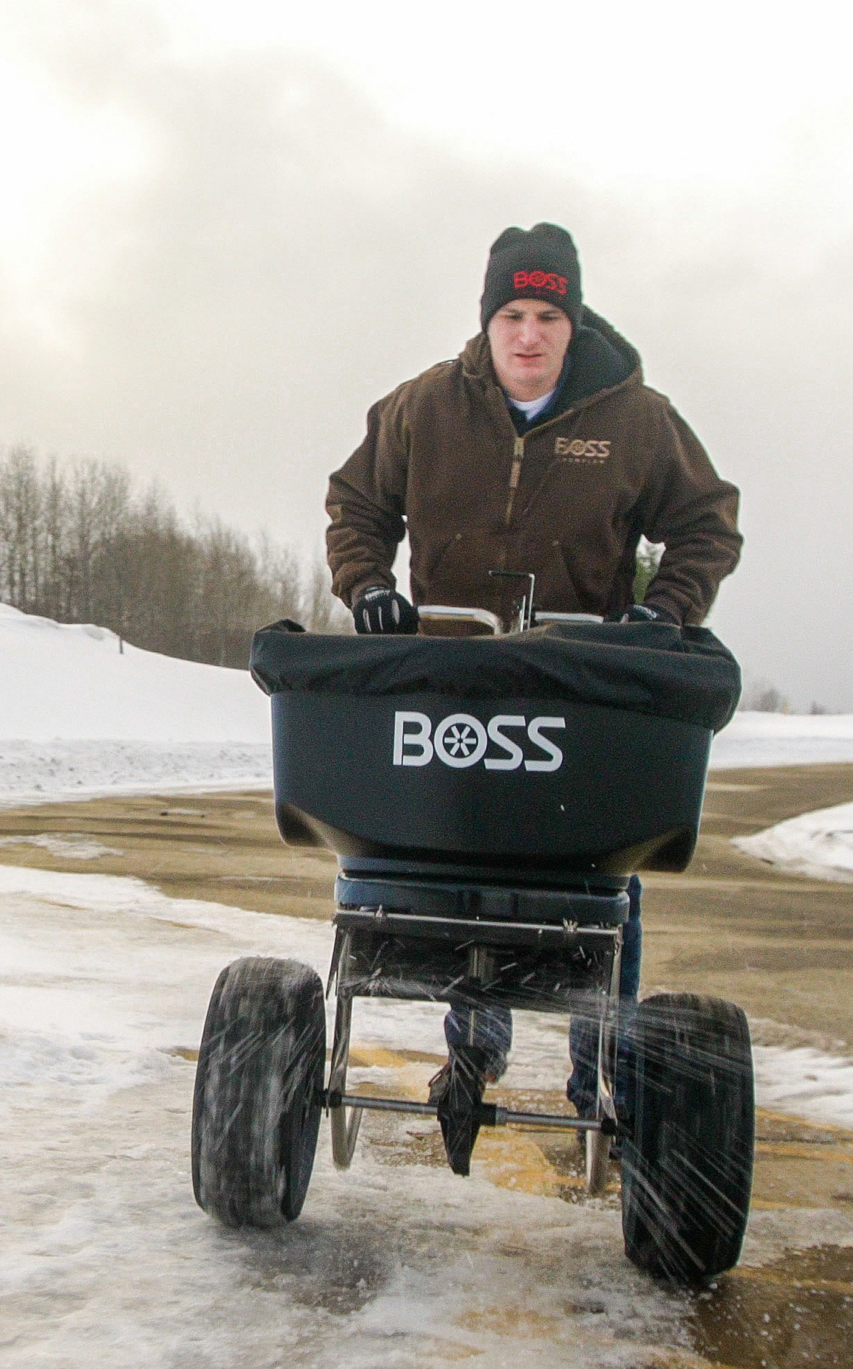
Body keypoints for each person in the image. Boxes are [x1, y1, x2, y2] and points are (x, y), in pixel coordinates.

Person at [325, 222, 742, 1154]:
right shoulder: (424, 408)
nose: (528, 334)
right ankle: (472, 1051)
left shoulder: (635, 420)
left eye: (547, 314)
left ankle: (612, 1066)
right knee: (449, 872)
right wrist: (371, 587)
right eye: (511, 312)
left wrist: (662, 611)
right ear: (488, 320)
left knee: (598, 882)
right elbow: (355, 504)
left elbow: (708, 522)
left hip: (577, 696)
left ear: (572, 321)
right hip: (448, 686)